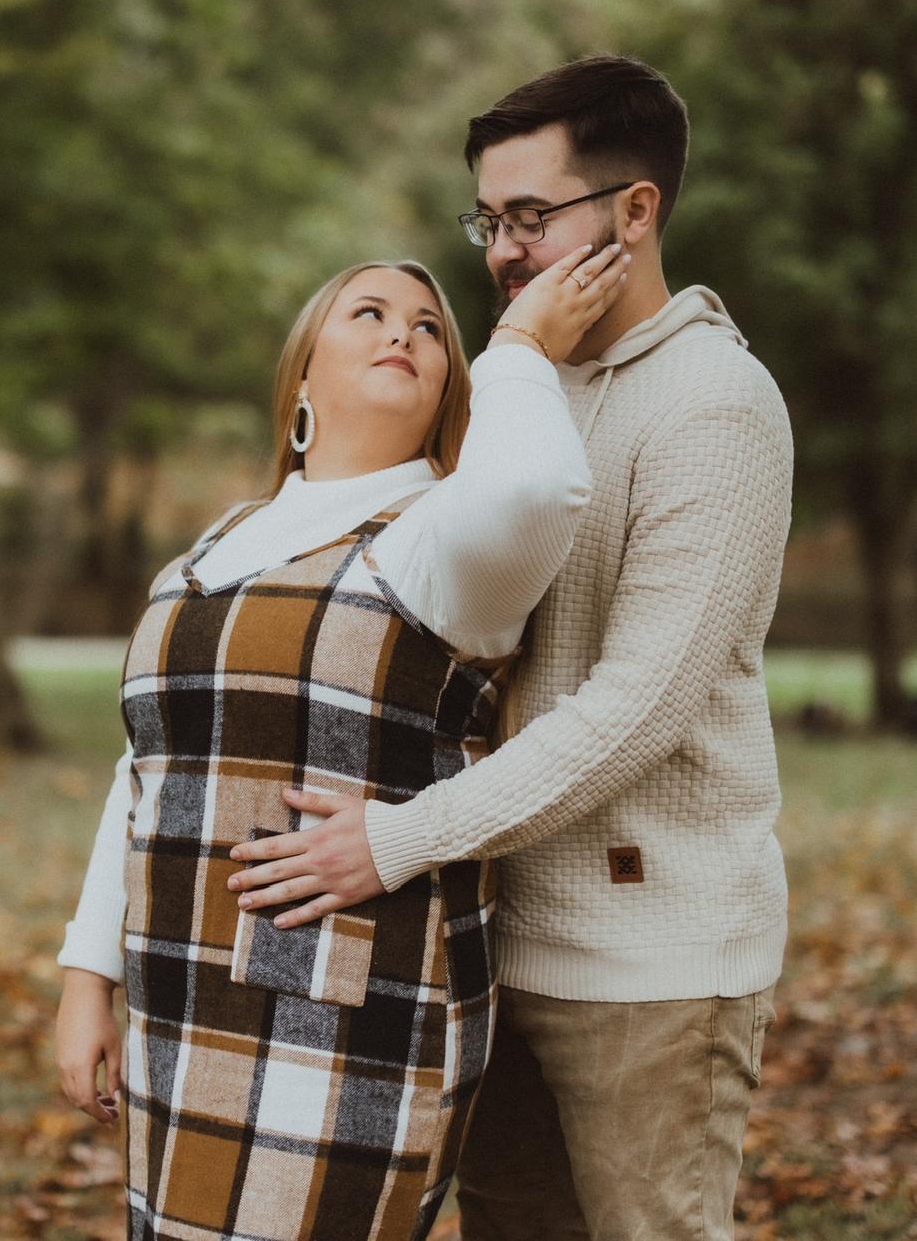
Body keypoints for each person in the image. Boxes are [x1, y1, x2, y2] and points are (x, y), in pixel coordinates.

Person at [227, 56, 794, 1241]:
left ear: (634, 210)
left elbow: (636, 708)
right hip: (483, 936)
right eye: (486, 220)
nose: (500, 251)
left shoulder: (714, 403)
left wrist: (393, 839)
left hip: (650, 961)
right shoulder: (515, 390)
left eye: (530, 216)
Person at [55, 247, 628, 1238]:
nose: (403, 331)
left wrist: (520, 344)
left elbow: (538, 490)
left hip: (350, 1014)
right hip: (177, 995)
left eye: (428, 328)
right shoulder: (209, 548)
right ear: (301, 376)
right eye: (368, 311)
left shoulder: (443, 539)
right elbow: (143, 769)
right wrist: (84, 977)